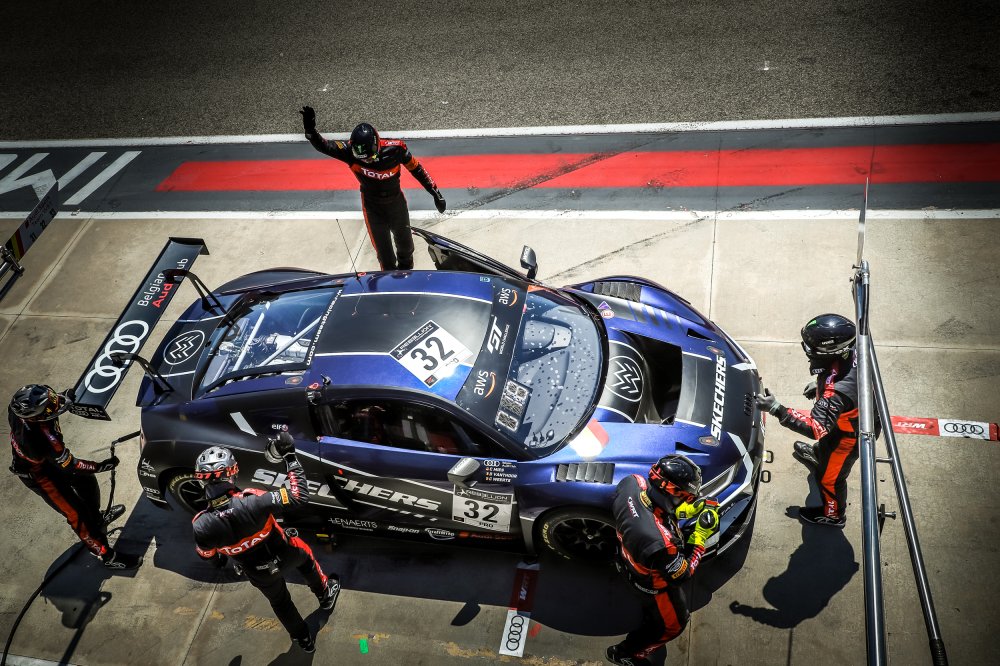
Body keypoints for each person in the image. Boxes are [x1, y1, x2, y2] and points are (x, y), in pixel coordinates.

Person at [191, 433, 340, 653]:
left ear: (202, 480)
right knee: (306, 559)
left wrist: (221, 559)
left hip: (258, 572)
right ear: (232, 474)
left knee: (280, 602)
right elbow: (299, 495)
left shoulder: (200, 525)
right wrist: (290, 456)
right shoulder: (253, 499)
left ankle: (303, 640)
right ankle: (325, 595)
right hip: (288, 552)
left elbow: (208, 555)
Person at [755, 313, 878, 528]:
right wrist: (820, 385)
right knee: (826, 447)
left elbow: (816, 428)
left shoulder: (835, 393)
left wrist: (776, 409)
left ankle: (833, 516)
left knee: (829, 479)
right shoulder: (854, 349)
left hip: (849, 438)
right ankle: (820, 456)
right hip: (846, 421)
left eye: (811, 348)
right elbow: (842, 377)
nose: (807, 350)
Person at [8, 384, 142, 570]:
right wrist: (101, 466)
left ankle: (97, 520)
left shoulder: (17, 410)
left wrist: (61, 396)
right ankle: (108, 556)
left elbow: (45, 403)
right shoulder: (44, 441)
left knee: (86, 481)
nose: (56, 404)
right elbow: (72, 464)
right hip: (40, 477)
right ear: (36, 418)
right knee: (77, 514)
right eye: (51, 406)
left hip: (48, 463)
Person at [299, 106, 446, 271]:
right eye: (363, 159)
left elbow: (416, 168)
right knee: (385, 257)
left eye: (370, 157)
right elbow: (324, 146)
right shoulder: (348, 151)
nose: (367, 161)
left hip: (396, 204)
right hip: (372, 209)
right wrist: (310, 131)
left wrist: (435, 192)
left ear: (377, 145)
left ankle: (406, 277)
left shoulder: (396, 148)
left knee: (406, 249)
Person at [607, 454, 720, 666]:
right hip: (652, 585)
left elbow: (652, 510)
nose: (690, 500)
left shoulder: (632, 482)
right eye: (687, 497)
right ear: (672, 493)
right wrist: (700, 536)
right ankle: (624, 654)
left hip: (625, 561)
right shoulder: (662, 544)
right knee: (673, 625)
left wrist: (686, 509)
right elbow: (683, 573)